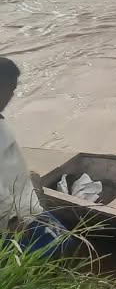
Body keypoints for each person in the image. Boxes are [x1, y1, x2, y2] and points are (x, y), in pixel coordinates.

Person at [0, 56, 70, 255]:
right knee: (58, 249)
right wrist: (12, 220)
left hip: (25, 206)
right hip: (15, 217)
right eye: (10, 89)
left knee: (61, 245)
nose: (11, 96)